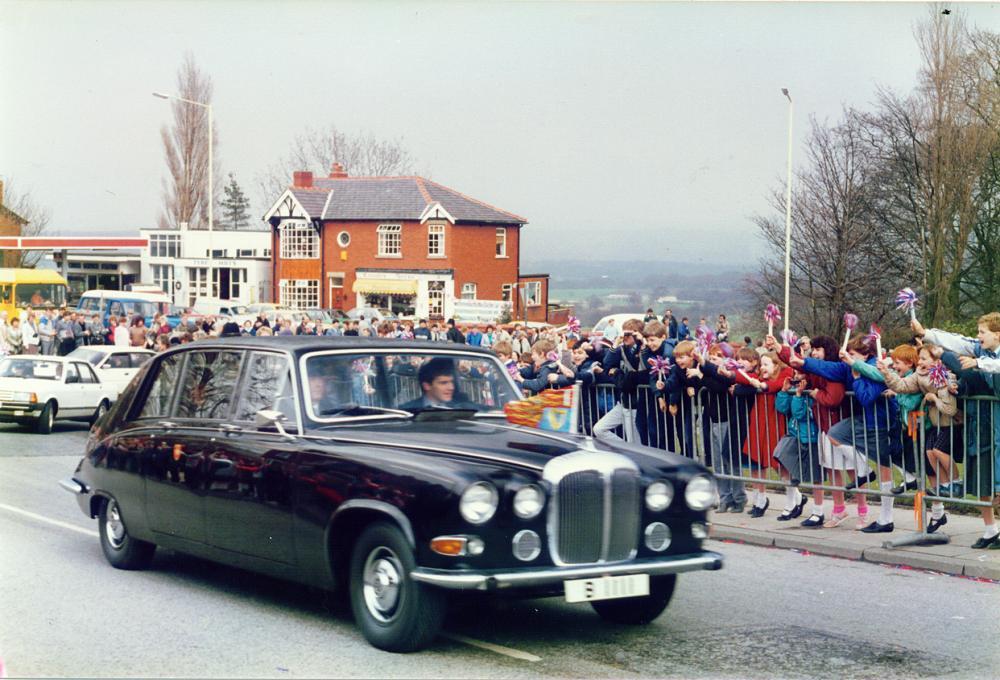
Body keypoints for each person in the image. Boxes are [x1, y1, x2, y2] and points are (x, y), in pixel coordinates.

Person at [791, 335, 901, 533]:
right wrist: (803, 361)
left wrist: (857, 378)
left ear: (865, 355)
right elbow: (828, 368)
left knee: (891, 469)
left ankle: (886, 518)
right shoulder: (849, 366)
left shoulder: (877, 368)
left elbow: (866, 397)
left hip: (882, 423)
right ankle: (864, 470)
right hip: (864, 421)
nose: (847, 357)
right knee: (835, 433)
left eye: (852, 354)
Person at [914, 313, 1000, 548]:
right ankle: (991, 531)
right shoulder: (977, 350)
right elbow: (958, 341)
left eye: (983, 332)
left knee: (998, 484)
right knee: (982, 481)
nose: (978, 335)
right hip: (979, 425)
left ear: (997, 334)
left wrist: (977, 364)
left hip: (996, 425)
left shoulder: (983, 359)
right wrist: (926, 333)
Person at [593, 319, 646, 442]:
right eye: (624, 334)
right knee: (599, 429)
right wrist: (616, 342)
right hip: (623, 401)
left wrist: (617, 373)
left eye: (628, 335)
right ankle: (624, 448)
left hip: (637, 402)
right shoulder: (622, 349)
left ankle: (632, 454)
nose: (625, 337)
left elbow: (635, 368)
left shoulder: (642, 348)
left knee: (634, 441)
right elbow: (607, 364)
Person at [399, 358, 474, 410]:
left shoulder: (463, 407)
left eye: (452, 382)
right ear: (427, 386)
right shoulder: (408, 410)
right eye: (443, 383)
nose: (451, 387)